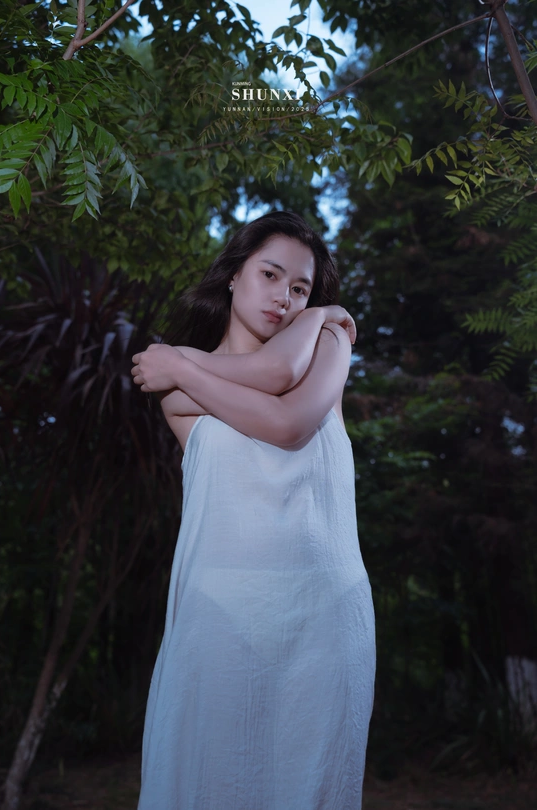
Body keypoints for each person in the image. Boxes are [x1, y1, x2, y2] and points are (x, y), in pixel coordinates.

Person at [131, 211, 376, 810]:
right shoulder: (176, 390)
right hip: (221, 615)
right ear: (234, 274)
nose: (284, 297)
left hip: (326, 614)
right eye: (270, 274)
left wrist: (318, 318)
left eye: (301, 289)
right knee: (212, 784)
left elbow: (289, 421)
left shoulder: (328, 345)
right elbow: (268, 380)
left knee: (313, 788)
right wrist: (182, 367)